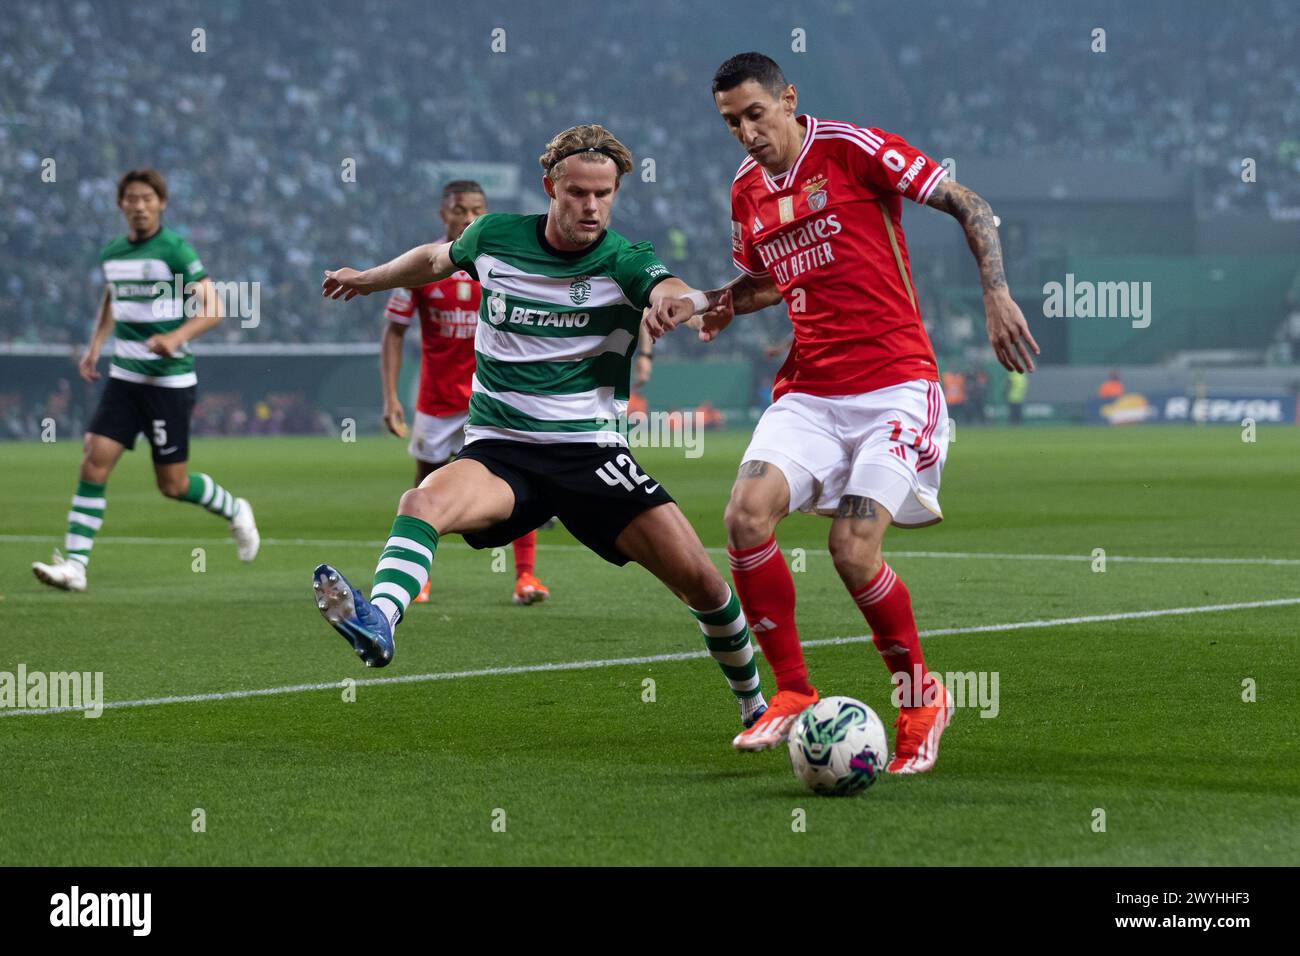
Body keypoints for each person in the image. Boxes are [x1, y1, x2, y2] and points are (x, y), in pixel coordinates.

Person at [315, 124, 769, 738]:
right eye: (578, 192)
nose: (591, 206)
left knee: (706, 586)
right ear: (549, 187)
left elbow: (667, 284)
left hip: (592, 456)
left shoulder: (624, 258)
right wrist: (370, 278)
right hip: (502, 452)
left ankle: (755, 706)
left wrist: (677, 302)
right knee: (420, 500)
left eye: (604, 194)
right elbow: (432, 258)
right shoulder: (494, 236)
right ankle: (382, 620)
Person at [651, 53, 1038, 773]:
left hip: (895, 384)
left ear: (788, 100)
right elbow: (767, 278)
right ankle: (794, 690)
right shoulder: (745, 192)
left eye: (754, 114)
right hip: (810, 391)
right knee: (743, 516)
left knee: (853, 551)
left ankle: (922, 698)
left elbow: (970, 204)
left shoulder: (852, 150)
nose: (744, 132)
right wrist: (714, 302)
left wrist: (995, 293)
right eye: (730, 121)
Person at [32, 168, 259, 593]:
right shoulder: (113, 253)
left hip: (168, 383)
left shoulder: (174, 250)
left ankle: (234, 509)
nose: (139, 206)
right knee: (93, 460)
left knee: (172, 485)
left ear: (161, 204)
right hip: (124, 378)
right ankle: (75, 567)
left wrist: (175, 337)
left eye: (147, 199)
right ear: (121, 204)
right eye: (131, 198)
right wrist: (95, 345)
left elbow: (213, 309)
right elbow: (113, 298)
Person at [379, 180, 548, 606]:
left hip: (493, 398)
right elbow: (394, 332)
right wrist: (390, 396)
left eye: (476, 209)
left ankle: (526, 577)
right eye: (459, 209)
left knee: (516, 481)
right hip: (436, 399)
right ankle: (419, 577)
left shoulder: (505, 263)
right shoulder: (419, 267)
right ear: (444, 214)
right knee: (425, 486)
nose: (468, 218)